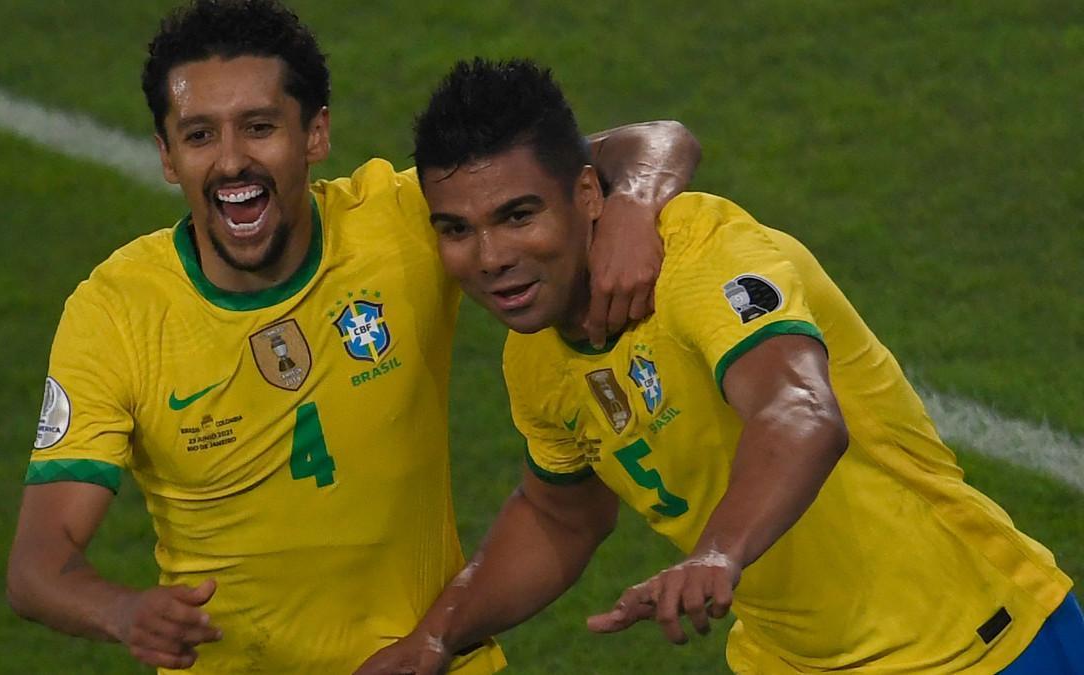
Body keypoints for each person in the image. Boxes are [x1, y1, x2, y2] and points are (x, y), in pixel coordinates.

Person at [4, 2, 702, 674]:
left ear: (315, 135)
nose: (231, 161)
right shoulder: (115, 312)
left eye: (258, 127)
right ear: (166, 155)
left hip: (425, 660)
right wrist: (124, 612)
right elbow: (39, 564)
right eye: (199, 135)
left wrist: (636, 203)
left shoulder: (400, 222)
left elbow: (658, 140)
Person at [354, 58, 1083, 674]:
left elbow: (799, 413)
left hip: (977, 641)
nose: (490, 258)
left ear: (584, 194)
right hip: (785, 657)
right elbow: (558, 517)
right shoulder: (533, 360)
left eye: (518, 216)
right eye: (457, 230)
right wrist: (437, 635)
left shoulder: (699, 255)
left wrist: (715, 554)